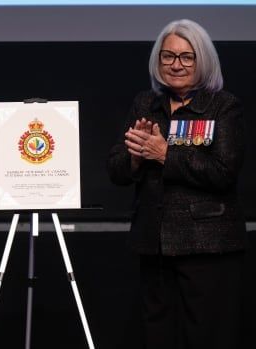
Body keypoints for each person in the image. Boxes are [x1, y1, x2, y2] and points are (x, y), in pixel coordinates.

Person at [107, 19, 246, 349]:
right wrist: (137, 159)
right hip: (154, 246)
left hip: (207, 247)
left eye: (187, 57)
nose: (176, 65)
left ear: (203, 61)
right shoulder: (145, 104)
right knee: (157, 337)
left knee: (207, 337)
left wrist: (165, 154)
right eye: (168, 56)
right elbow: (116, 170)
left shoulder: (223, 107)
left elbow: (223, 172)